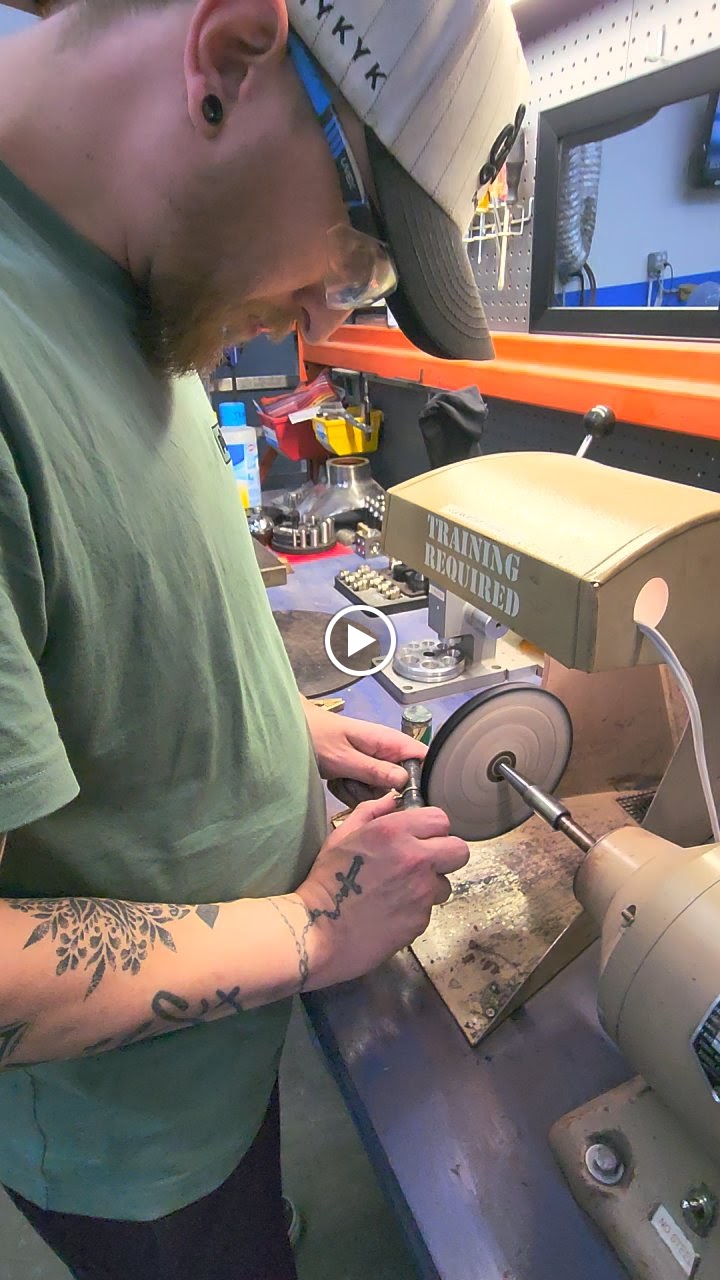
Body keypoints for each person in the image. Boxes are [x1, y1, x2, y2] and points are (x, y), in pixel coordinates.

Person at [0, 0, 529, 1276]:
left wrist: (269, 723)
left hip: (220, 1057)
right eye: (355, 252)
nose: (320, 316)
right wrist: (312, 933)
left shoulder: (134, 273)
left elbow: (115, 616)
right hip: (141, 1146)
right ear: (233, 51)